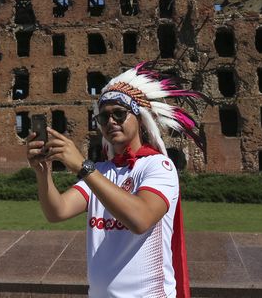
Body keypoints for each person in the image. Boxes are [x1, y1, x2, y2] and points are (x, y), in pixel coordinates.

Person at [26, 61, 205, 298]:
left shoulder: (159, 166)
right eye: (103, 118)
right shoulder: (101, 171)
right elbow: (57, 211)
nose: (111, 122)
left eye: (120, 114)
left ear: (140, 119)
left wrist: (83, 166)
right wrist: (43, 172)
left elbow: (140, 219)